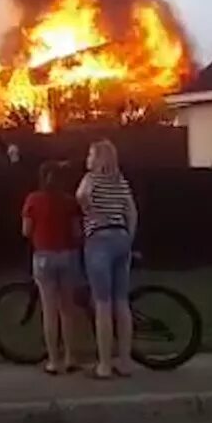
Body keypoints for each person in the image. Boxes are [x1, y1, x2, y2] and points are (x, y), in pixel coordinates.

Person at [76, 139, 138, 380]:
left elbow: (81, 196)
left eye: (90, 154)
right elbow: (132, 211)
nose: (87, 159)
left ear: (98, 158)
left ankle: (104, 364)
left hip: (99, 241)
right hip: (121, 238)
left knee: (102, 304)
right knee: (121, 302)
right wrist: (128, 237)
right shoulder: (120, 181)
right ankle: (125, 361)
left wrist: (91, 212)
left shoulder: (91, 178)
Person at [21, 161, 83, 375]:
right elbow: (77, 232)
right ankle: (70, 357)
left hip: (43, 257)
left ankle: (53, 361)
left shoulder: (33, 200)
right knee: (67, 309)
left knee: (49, 310)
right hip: (67, 256)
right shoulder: (69, 202)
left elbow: (26, 230)